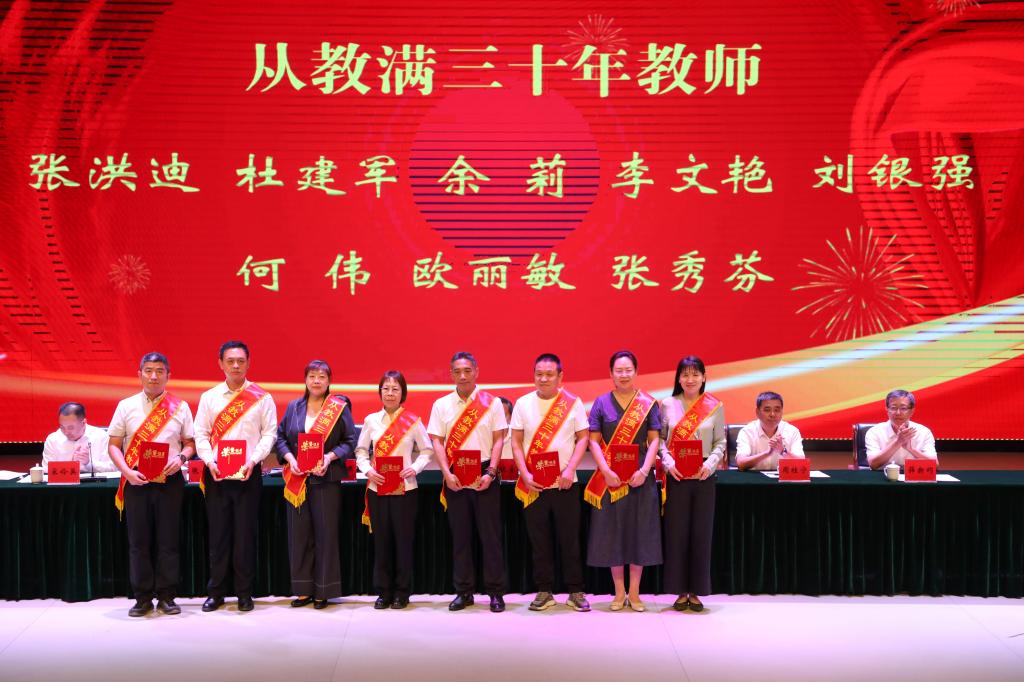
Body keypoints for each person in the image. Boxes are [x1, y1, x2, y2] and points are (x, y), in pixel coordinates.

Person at [107, 352, 195, 617]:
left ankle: (167, 596)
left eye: (159, 371)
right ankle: (142, 597)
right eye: (148, 370)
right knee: (139, 541)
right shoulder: (126, 406)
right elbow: (114, 445)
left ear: (168, 375)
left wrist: (181, 458)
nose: (154, 376)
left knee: (168, 540)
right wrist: (126, 472)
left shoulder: (180, 407)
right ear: (140, 374)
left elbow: (190, 443)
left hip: (169, 480)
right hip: (136, 480)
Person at [193, 340, 277, 613]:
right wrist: (210, 461)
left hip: (248, 475)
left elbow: (269, 434)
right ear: (221, 364)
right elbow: (201, 434)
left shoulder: (262, 398)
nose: (236, 366)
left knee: (244, 536)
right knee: (218, 536)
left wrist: (254, 460)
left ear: (248, 363)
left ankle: (244, 593)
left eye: (241, 361)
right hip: (217, 474)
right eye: (230, 361)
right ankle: (216, 592)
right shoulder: (209, 398)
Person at [427, 351, 508, 613]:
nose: (463, 376)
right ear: (451, 374)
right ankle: (464, 592)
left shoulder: (492, 403)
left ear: (476, 372)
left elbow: (499, 439)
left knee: (490, 537)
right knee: (461, 537)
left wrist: (491, 472)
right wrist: (446, 474)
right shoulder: (441, 405)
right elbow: (437, 441)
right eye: (457, 372)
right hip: (455, 476)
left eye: (467, 371)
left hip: (485, 472)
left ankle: (496, 592)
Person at [510, 353, 591, 612]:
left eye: (549, 374)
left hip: (566, 483)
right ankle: (544, 590)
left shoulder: (572, 403)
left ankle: (576, 591)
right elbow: (516, 442)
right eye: (539, 374)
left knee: (570, 540)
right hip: (534, 484)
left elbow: (583, 438)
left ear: (560, 376)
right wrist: (525, 474)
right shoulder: (523, 403)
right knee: (539, 540)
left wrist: (570, 469)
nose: (543, 379)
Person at [584, 350, 662, 612]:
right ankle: (619, 592)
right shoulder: (601, 403)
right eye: (619, 370)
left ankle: (635, 593)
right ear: (611, 374)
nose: (624, 375)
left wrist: (645, 470)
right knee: (613, 533)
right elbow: (593, 441)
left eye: (628, 370)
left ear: (636, 372)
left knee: (640, 533)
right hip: (611, 480)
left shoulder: (648, 403)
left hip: (640, 478)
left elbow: (654, 440)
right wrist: (605, 470)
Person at [275, 360, 355, 610]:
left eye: (322, 376)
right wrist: (290, 459)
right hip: (297, 480)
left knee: (325, 536)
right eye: (312, 376)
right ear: (305, 380)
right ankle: (302, 590)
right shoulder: (294, 407)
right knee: (299, 537)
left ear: (329, 381)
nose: (317, 380)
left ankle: (323, 591)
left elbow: (350, 441)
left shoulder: (338, 408)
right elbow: (280, 438)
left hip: (326, 479)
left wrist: (329, 457)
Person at [355, 371, 433, 610]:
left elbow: (427, 450)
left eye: (395, 389)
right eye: (386, 389)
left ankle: (402, 592)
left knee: (403, 541)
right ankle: (383, 591)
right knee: (382, 541)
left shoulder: (413, 421)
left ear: (403, 393)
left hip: (405, 489)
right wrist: (368, 470)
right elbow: (360, 451)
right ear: (380, 392)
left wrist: (415, 468)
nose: (390, 393)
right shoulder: (371, 420)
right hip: (378, 488)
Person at [659, 356, 725, 612]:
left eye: (695, 374)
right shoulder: (668, 404)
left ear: (704, 377)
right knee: (677, 534)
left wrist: (710, 465)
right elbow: (660, 441)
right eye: (685, 374)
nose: (690, 379)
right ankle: (679, 590)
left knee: (700, 534)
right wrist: (668, 463)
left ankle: (696, 590)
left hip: (703, 475)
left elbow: (720, 442)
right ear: (678, 378)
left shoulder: (715, 406)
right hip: (676, 475)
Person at [865, 389, 937, 470]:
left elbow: (935, 465)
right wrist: (898, 442)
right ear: (887, 410)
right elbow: (873, 464)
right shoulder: (874, 432)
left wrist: (911, 449)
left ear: (912, 411)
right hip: (883, 476)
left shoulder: (924, 432)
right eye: (893, 408)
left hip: (912, 477)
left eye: (903, 408)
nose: (898, 413)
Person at [735, 391, 804, 471]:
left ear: (782, 412)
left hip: (782, 479)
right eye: (767, 410)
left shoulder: (792, 432)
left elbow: (802, 463)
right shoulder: (747, 432)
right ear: (757, 412)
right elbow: (741, 463)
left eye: (777, 410)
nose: (772, 414)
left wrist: (783, 451)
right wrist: (767, 454)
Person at [42, 402, 115, 473]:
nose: (66, 432)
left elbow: (113, 468)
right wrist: (70, 465)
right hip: (63, 481)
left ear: (83, 423)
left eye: (70, 428)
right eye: (62, 427)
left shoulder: (101, 436)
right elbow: (46, 470)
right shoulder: (53, 439)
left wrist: (89, 463)